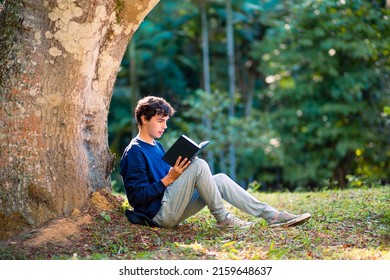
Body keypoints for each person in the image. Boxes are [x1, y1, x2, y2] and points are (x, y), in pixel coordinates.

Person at [120, 96, 311, 228]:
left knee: (218, 179)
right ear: (144, 119)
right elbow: (137, 199)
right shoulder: (134, 152)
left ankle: (273, 216)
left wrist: (182, 169)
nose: (165, 126)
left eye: (166, 121)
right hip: (159, 215)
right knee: (200, 165)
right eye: (160, 121)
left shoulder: (157, 146)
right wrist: (170, 178)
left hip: (171, 204)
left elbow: (167, 179)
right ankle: (223, 219)